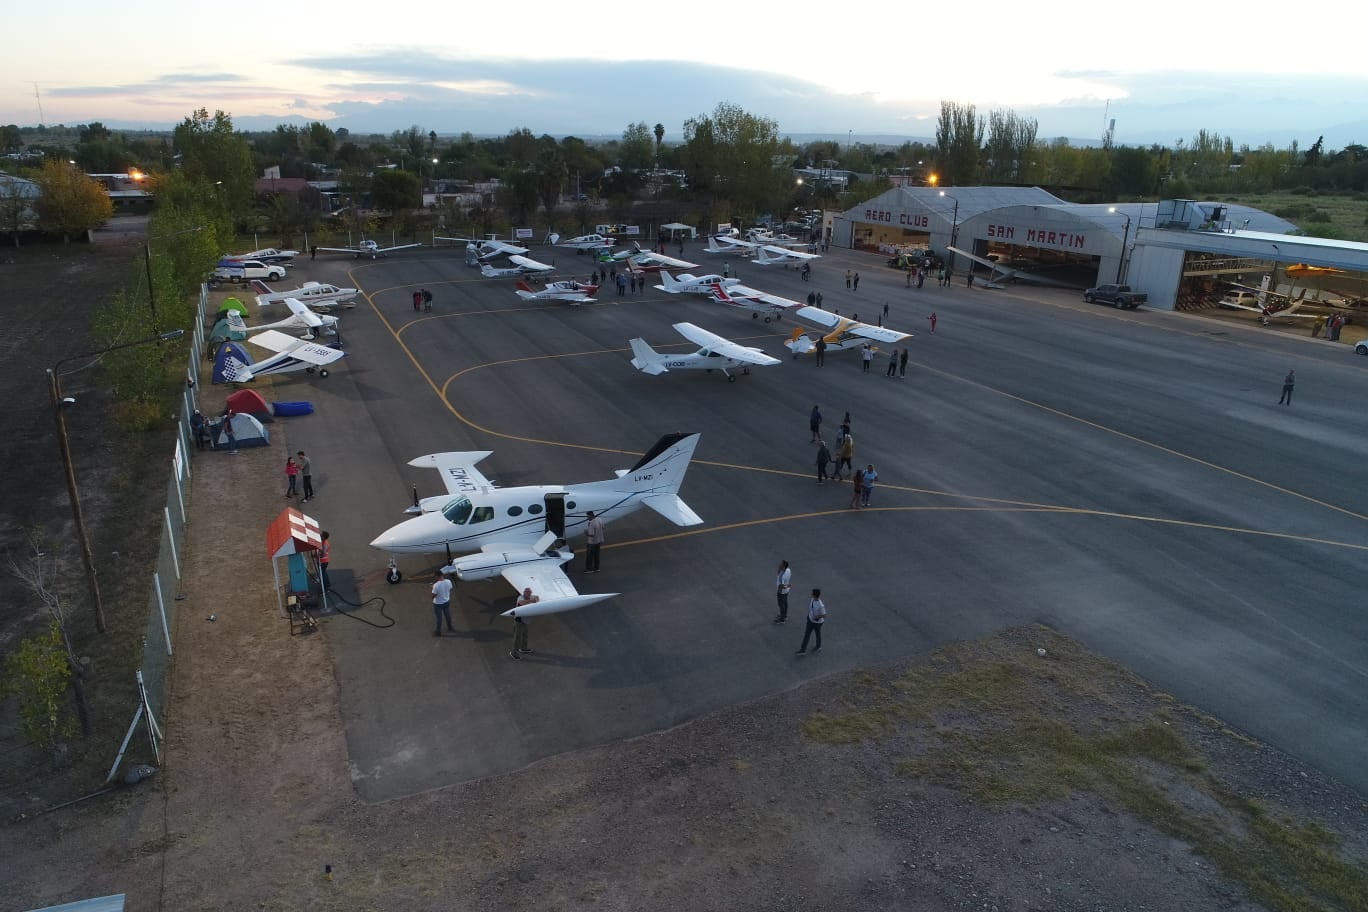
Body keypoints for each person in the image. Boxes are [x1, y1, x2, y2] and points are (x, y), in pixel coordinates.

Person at [510, 587, 538, 658]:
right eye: (527, 593)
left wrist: (535, 599)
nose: (528, 594)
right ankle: (514, 653)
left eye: (529, 593)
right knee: (517, 638)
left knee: (525, 635)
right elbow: (521, 603)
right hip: (519, 621)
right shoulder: (520, 598)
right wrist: (531, 600)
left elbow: (537, 597)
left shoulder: (531, 597)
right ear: (524, 593)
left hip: (525, 621)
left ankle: (523, 648)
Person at [796, 588, 826, 655]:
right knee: (807, 635)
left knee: (817, 634)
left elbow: (824, 615)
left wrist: (816, 617)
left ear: (814, 595)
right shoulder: (812, 599)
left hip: (817, 623)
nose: (811, 594)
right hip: (810, 620)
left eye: (812, 593)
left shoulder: (821, 605)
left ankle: (818, 646)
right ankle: (802, 650)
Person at [431, 570, 453, 637]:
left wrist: (433, 588)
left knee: (439, 618)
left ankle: (438, 632)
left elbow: (433, 595)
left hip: (438, 604)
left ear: (437, 576)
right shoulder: (448, 581)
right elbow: (450, 589)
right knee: (448, 616)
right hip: (446, 602)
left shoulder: (436, 585)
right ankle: (450, 628)